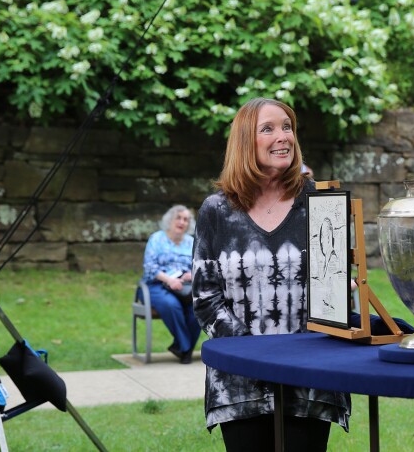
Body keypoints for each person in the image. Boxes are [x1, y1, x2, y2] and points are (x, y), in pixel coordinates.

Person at [192, 97, 350, 452]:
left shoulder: (323, 203)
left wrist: (297, 354)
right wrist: (256, 354)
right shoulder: (216, 210)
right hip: (239, 385)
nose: (283, 137)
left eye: (287, 127)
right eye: (268, 129)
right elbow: (205, 300)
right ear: (246, 141)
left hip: (310, 379)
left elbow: (336, 294)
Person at [142, 204, 201, 364]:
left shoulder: (191, 242)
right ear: (170, 220)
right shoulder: (157, 239)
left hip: (184, 286)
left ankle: (180, 347)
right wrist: (169, 280)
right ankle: (186, 349)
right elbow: (150, 266)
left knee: (199, 307)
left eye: (186, 219)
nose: (182, 222)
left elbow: (199, 265)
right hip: (156, 285)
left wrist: (192, 274)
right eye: (179, 218)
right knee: (171, 304)